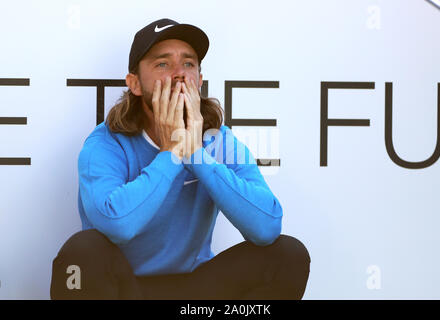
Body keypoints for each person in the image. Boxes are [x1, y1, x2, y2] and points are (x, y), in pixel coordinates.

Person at [50, 18, 311, 300]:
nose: (179, 74)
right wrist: (171, 154)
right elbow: (117, 225)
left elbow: (267, 227)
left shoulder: (219, 141)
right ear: (135, 83)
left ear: (199, 80)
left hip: (195, 295)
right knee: (82, 253)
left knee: (287, 255)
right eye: (162, 64)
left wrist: (195, 154)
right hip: (126, 290)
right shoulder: (105, 143)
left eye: (188, 64)